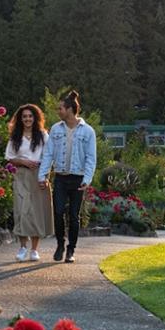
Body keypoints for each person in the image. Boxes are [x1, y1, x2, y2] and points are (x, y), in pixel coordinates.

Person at [38, 90, 97, 263]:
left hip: (78, 179)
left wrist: (87, 179)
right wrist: (43, 175)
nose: (58, 112)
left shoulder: (88, 131)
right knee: (57, 212)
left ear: (70, 109)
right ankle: (60, 245)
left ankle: (71, 250)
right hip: (61, 178)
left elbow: (91, 158)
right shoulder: (56, 129)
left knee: (73, 215)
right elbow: (48, 154)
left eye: (60, 109)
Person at [5, 104, 54, 261]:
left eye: (30, 116)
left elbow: (48, 157)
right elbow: (9, 157)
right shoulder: (15, 137)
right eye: (24, 116)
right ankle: (22, 247)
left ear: (35, 118)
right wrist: (24, 162)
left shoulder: (43, 135)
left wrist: (45, 177)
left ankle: (34, 250)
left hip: (39, 175)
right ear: (21, 119)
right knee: (21, 211)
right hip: (21, 175)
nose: (27, 119)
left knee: (36, 212)